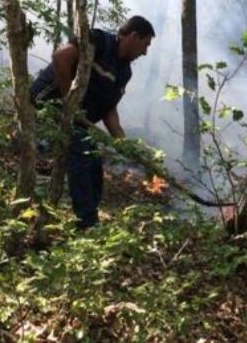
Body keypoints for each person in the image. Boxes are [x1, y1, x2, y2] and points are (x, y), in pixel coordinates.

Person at [30, 15, 155, 228]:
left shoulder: (124, 71)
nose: (145, 52)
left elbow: (109, 111)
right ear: (134, 36)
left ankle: (89, 221)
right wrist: (70, 101)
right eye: (145, 44)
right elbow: (61, 57)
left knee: (95, 162)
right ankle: (87, 223)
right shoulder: (97, 40)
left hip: (77, 121)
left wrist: (125, 146)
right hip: (48, 107)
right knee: (81, 156)